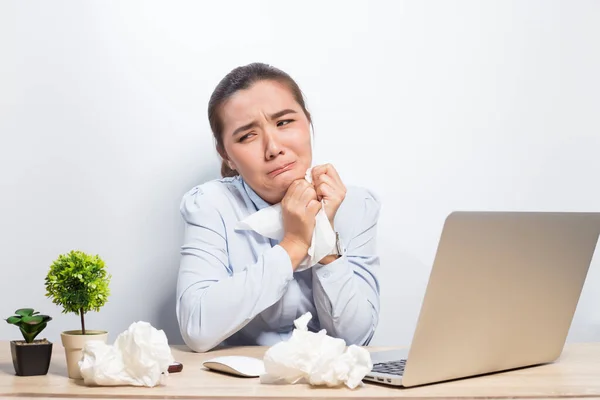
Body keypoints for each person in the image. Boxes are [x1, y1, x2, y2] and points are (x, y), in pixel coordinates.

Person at [176, 62, 381, 352]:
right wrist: (294, 244)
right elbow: (197, 328)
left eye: (284, 122)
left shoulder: (356, 204)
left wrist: (324, 238)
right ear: (226, 155)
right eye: (247, 135)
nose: (273, 148)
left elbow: (357, 339)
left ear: (307, 123)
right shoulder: (211, 204)